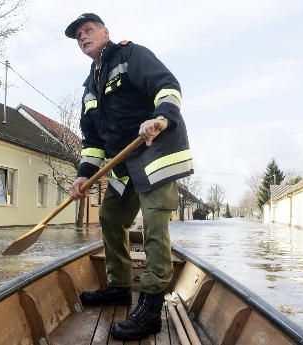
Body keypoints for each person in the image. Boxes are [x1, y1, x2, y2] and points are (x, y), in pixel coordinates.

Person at [65, 13, 193, 341]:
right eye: (78, 35)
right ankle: (119, 287)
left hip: (154, 152)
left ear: (106, 32)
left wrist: (161, 118)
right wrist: (83, 177)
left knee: (153, 223)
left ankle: (151, 304)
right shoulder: (89, 88)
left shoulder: (131, 55)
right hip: (123, 164)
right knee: (110, 216)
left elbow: (167, 86)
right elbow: (92, 142)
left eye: (88, 30)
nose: (83, 37)